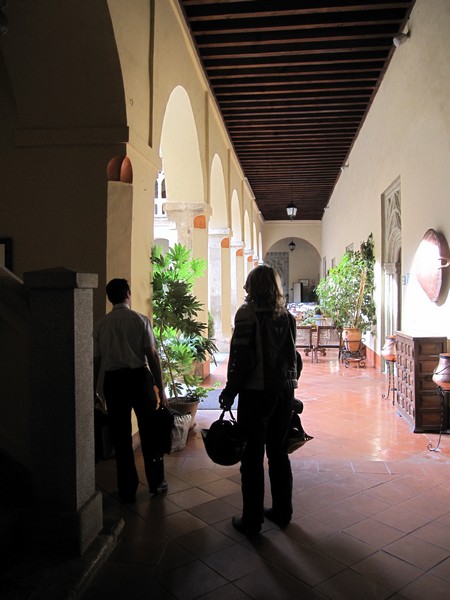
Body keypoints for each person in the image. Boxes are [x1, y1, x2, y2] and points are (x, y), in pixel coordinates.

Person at [219, 265, 298, 535]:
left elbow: (243, 358)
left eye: (247, 284)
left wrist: (230, 390)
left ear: (253, 287)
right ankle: (282, 511)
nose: (244, 289)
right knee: (278, 453)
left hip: (256, 393)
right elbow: (294, 358)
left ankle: (252, 519)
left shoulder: (247, 314)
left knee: (252, 457)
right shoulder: (287, 316)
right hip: (284, 392)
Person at [93, 278, 167, 502]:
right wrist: (161, 389)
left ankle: (127, 487)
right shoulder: (140, 320)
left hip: (113, 382)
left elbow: (96, 362)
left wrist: (94, 390)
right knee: (149, 431)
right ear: (127, 293)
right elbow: (152, 356)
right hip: (139, 378)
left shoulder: (100, 325)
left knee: (121, 436)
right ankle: (156, 482)